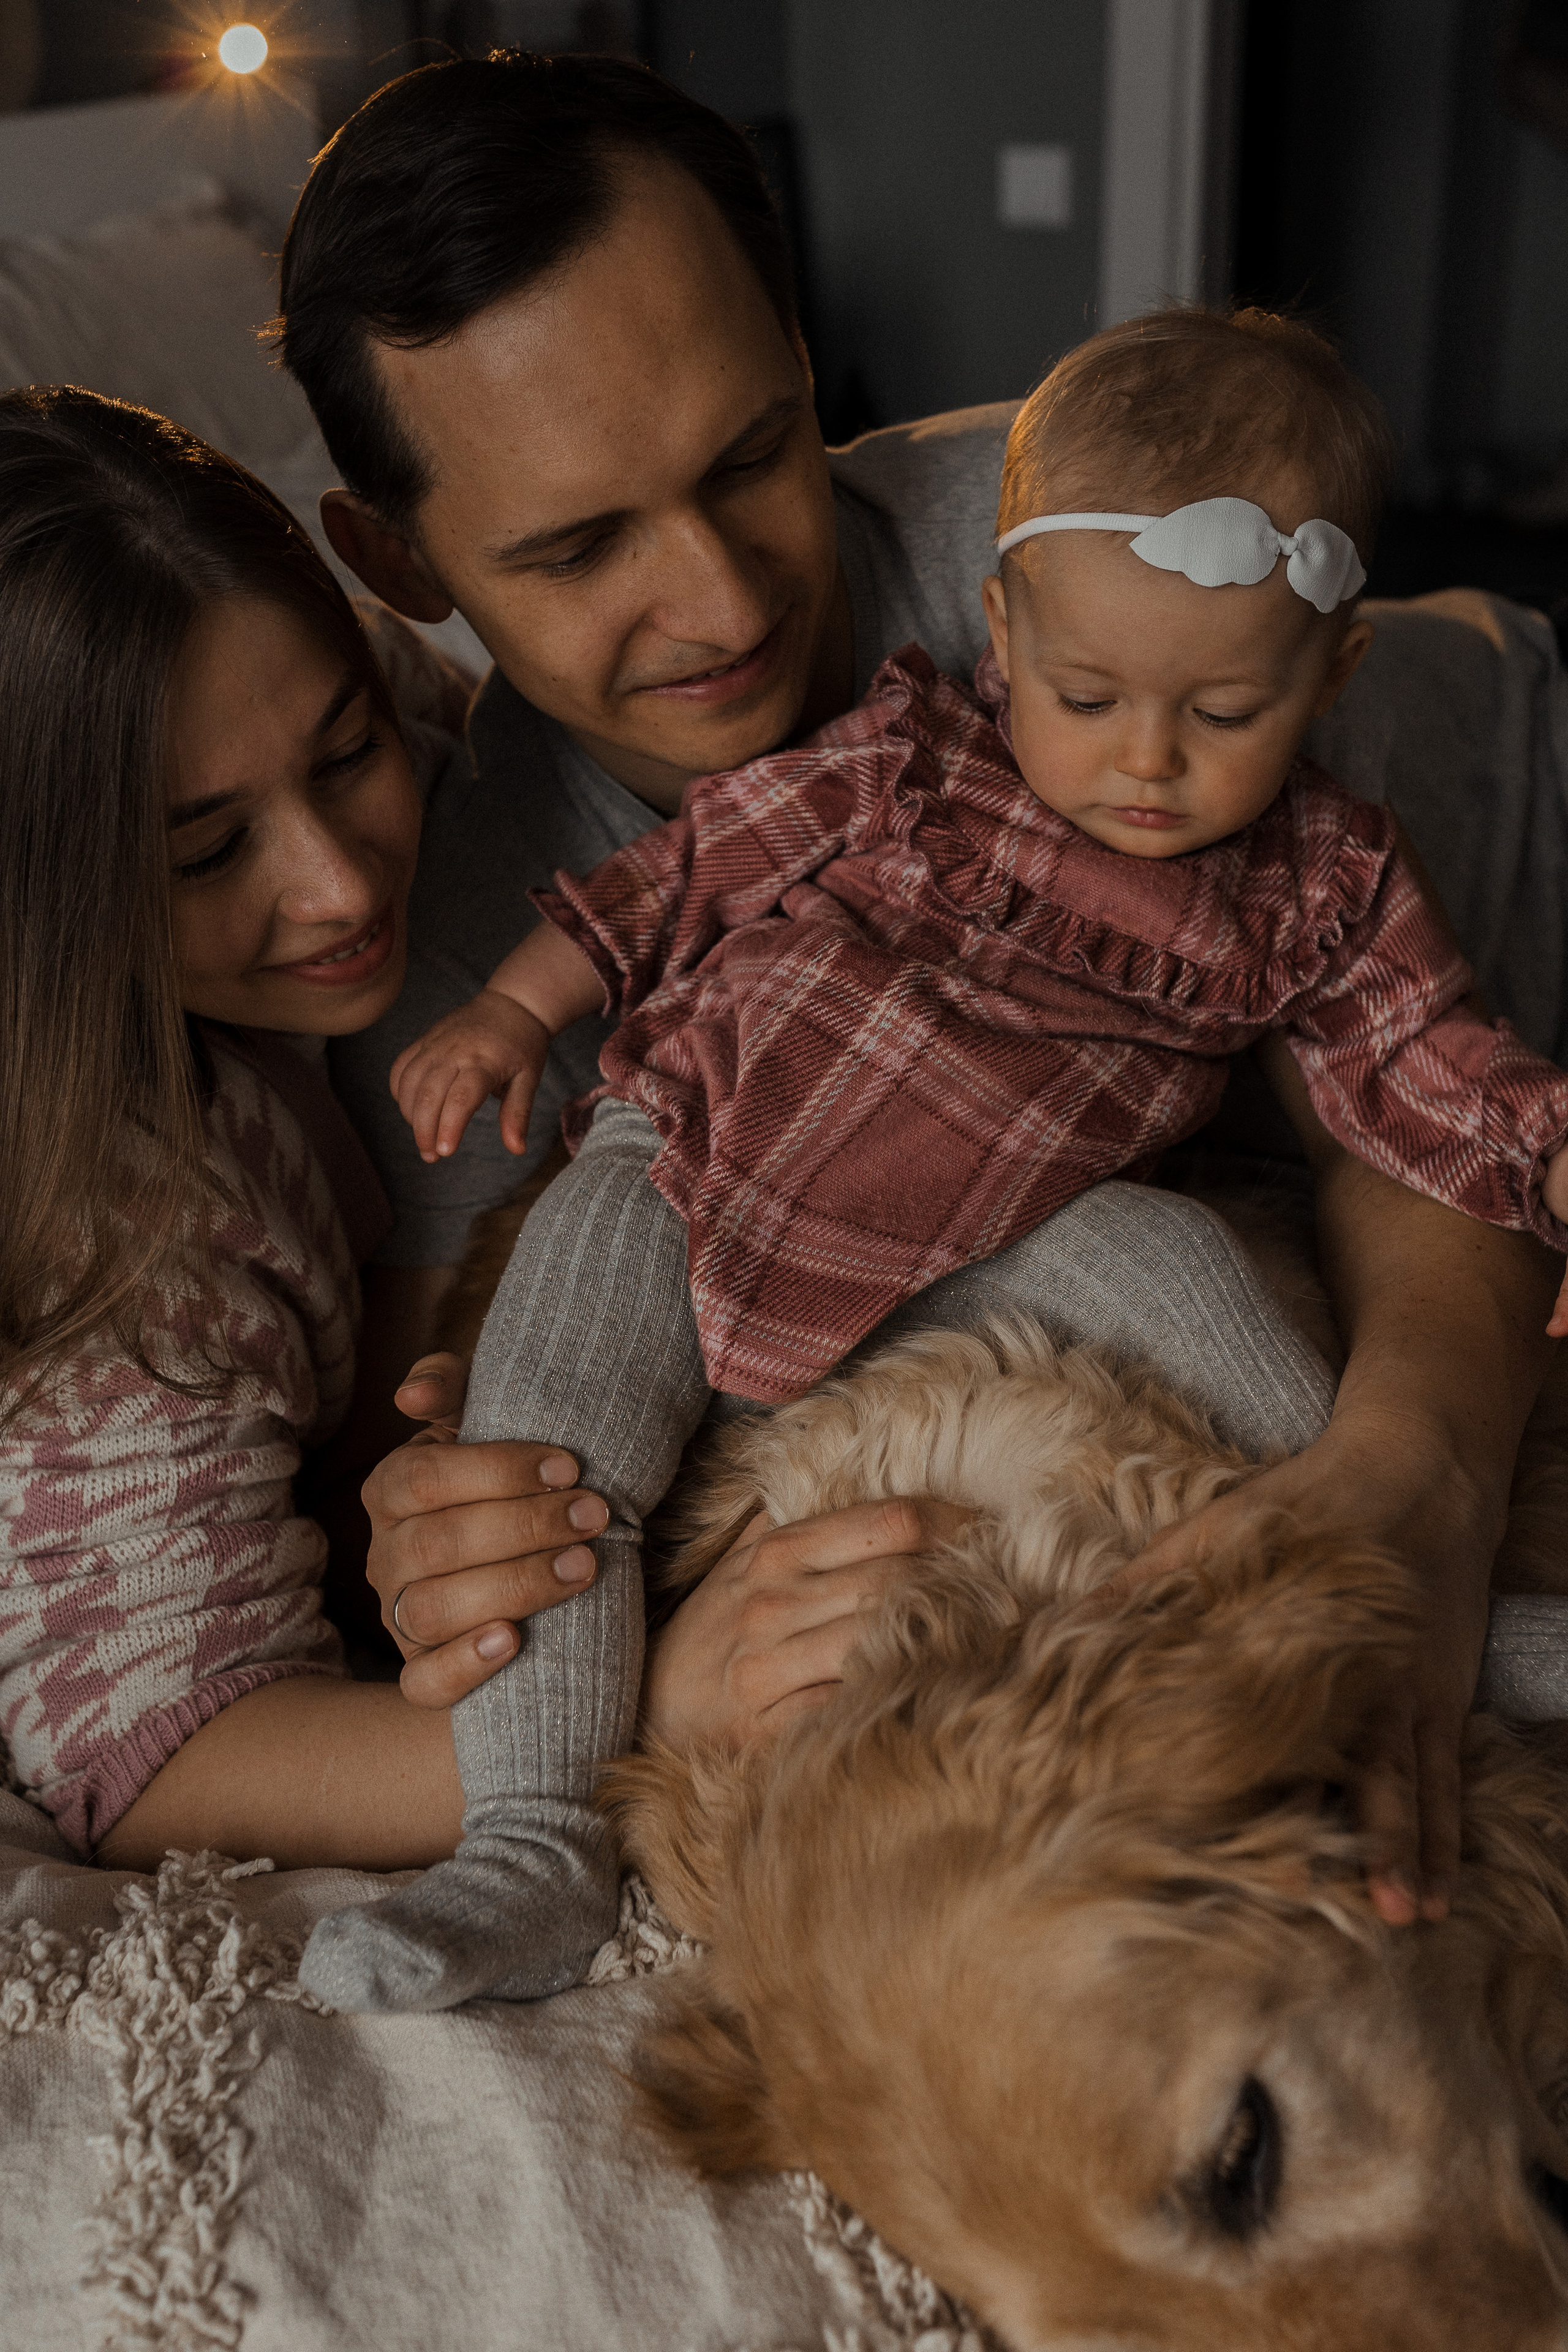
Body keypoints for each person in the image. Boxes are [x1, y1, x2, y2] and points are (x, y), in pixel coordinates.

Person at [273, 53, 1560, 1974]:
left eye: (748, 456)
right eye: (575, 547)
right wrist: (596, 1645)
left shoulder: (1103, 575)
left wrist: (1408, 1482)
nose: (715, 598)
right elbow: (488, 1466)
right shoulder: (453, 949)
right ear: (396, 568)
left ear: (808, 360)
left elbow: (1404, 1096)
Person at [0, 386, 610, 1869]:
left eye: (347, 755)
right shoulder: (121, 1223)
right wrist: (657, 1717)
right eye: (208, 849)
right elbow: (161, 1757)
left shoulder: (318, 684)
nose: (341, 885)